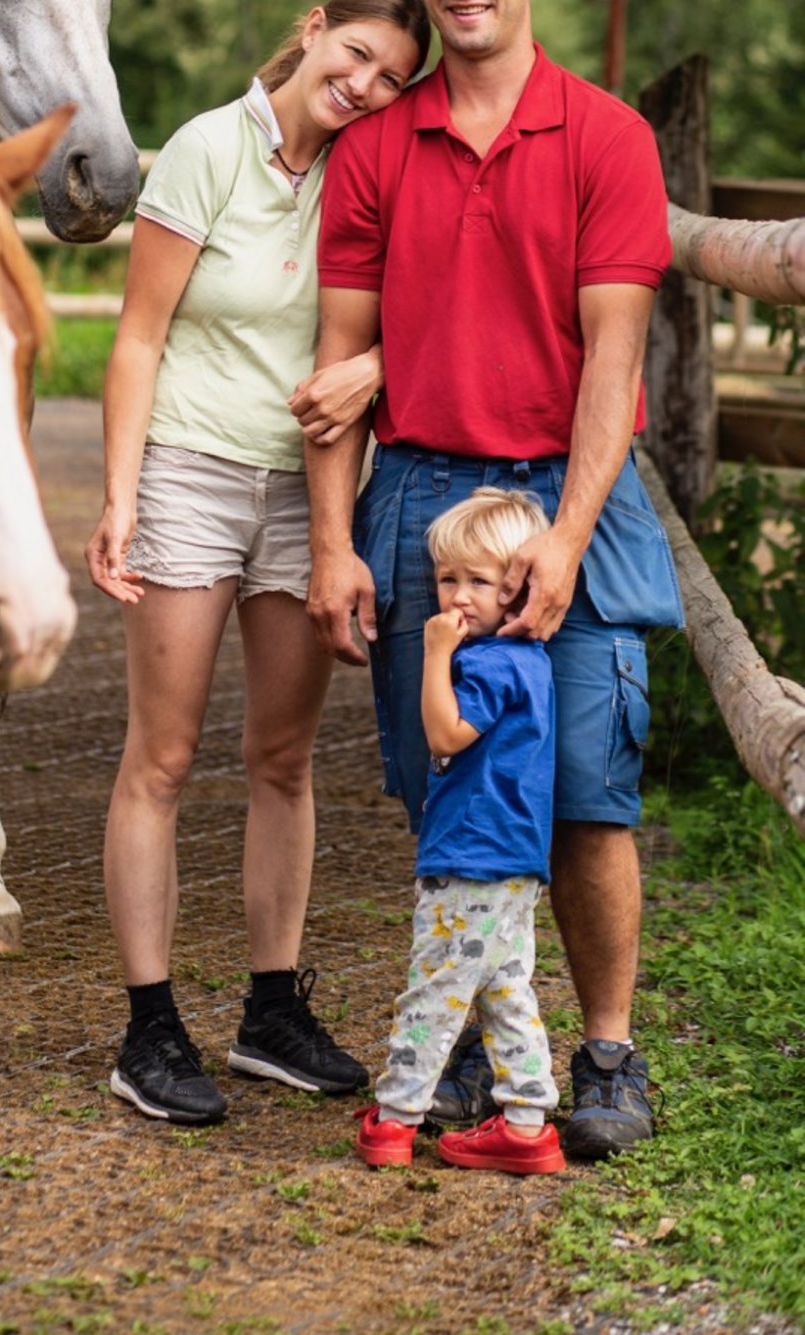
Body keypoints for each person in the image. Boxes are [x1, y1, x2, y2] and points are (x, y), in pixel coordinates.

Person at [305, 0, 685, 1162]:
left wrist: (568, 538)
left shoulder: (606, 138)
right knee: (450, 777)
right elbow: (334, 373)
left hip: (566, 486)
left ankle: (609, 1053)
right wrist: (335, 540)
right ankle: (470, 1039)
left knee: (588, 789)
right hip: (417, 487)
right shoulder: (373, 147)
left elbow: (611, 362)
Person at [86, 0, 431, 1126]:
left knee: (281, 757)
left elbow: (408, 317)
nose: (366, 86)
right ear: (311, 30)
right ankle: (147, 1028)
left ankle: (270, 1010)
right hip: (188, 463)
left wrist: (373, 370)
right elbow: (137, 337)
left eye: (389, 77)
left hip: (306, 485)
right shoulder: (204, 149)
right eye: (357, 55)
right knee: (164, 756)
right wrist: (121, 493)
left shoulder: (367, 169)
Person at [355, 488, 565, 1176]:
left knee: (434, 987)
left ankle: (394, 1118)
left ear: (516, 588)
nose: (459, 596)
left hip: (472, 852)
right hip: (513, 855)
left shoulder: (482, 663)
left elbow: (445, 732)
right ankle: (528, 1122)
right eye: (449, 578)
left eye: (480, 581)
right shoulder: (529, 658)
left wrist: (434, 653)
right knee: (505, 987)